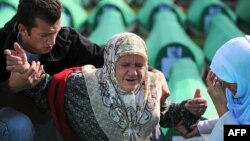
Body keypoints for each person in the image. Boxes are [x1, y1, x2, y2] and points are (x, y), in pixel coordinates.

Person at [0, 0, 170, 140]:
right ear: (22, 29)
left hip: (47, 119)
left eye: (56, 32)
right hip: (9, 117)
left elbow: (105, 58)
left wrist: (154, 73)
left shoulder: (66, 40)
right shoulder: (1, 42)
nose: (52, 42)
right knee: (19, 126)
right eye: (45, 36)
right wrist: (11, 87)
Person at [14, 32, 207, 141]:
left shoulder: (151, 83)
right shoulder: (83, 86)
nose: (133, 72)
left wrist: (186, 109)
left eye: (139, 65)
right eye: (125, 65)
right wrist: (25, 73)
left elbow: (162, 115)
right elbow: (48, 90)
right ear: (111, 63)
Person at [176, 35, 250, 141]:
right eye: (222, 79)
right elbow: (238, 122)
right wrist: (202, 127)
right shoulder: (243, 96)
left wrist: (221, 106)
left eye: (231, 80)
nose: (224, 86)